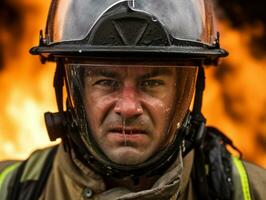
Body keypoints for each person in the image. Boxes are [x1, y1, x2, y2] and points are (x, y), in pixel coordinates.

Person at [0, 0, 265, 199]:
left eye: (151, 83)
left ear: (188, 95)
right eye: (106, 82)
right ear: (69, 88)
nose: (128, 108)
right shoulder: (10, 189)